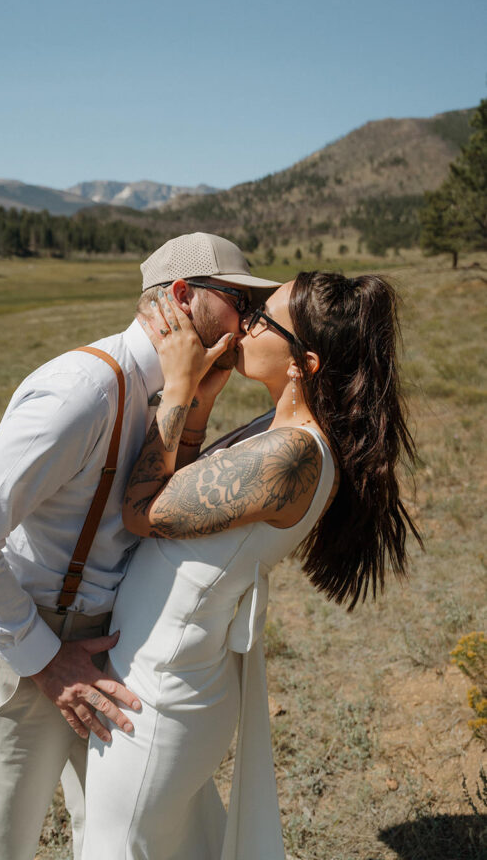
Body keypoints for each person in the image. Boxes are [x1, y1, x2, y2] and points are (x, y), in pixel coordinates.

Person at [0, 232, 279, 860]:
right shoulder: (80, 393)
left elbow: (154, 512)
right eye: (237, 300)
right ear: (180, 296)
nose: (251, 320)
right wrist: (46, 660)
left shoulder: (175, 389)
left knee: (126, 839)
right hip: (25, 647)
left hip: (116, 650)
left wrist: (194, 406)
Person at [81, 271, 422, 860]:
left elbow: (142, 509)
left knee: (118, 847)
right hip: (163, 679)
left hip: (159, 699)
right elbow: (181, 493)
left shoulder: (291, 454)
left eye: (265, 318)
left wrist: (179, 389)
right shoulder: (279, 433)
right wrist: (203, 405)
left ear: (304, 363)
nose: (245, 323)